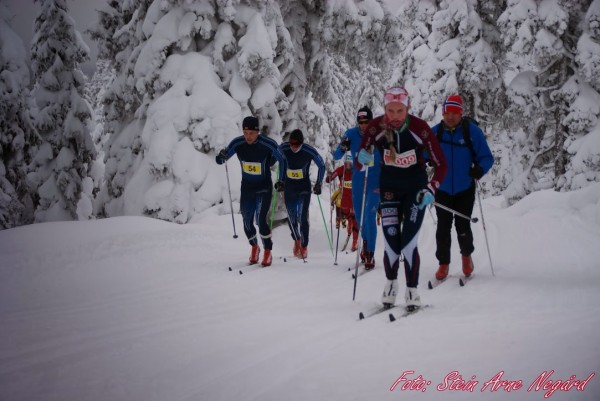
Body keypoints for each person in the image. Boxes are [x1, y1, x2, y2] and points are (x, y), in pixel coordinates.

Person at [357, 86, 447, 312]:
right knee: (391, 240)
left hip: (415, 191)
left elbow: (441, 164)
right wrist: (362, 157)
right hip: (388, 189)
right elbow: (359, 163)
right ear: (385, 108)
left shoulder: (420, 129)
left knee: (408, 242)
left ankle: (412, 290)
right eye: (391, 110)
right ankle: (391, 284)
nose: (395, 116)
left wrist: (431, 188)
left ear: (407, 108)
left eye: (400, 110)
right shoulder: (375, 127)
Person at [431, 95, 494, 280]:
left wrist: (479, 169)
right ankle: (443, 264)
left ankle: (466, 257)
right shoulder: (435, 133)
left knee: (463, 226)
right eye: (447, 112)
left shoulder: (472, 132)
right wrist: (425, 161)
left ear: (461, 113)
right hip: (441, 188)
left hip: (464, 188)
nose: (450, 116)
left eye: (454, 112)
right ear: (442, 113)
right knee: (442, 228)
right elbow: (423, 153)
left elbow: (486, 157)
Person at [215, 116, 286, 267]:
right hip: (247, 188)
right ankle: (255, 246)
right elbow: (223, 157)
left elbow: (283, 159)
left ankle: (267, 250)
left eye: (251, 133)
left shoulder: (267, 144)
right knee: (247, 221)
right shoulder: (238, 143)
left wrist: (281, 180)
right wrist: (221, 157)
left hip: (264, 188)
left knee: (261, 220)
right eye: (245, 133)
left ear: (258, 132)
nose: (248, 136)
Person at [332, 106, 380, 269]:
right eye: (361, 122)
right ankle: (365, 245)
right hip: (358, 180)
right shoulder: (351, 134)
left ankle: (370, 252)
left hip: (375, 181)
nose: (364, 125)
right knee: (360, 218)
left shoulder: (379, 134)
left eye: (367, 122)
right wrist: (343, 147)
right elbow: (336, 155)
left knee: (370, 215)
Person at [278, 129, 326, 259]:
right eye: (291, 144)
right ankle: (297, 239)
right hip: (289, 187)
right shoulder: (284, 147)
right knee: (291, 216)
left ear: (301, 143)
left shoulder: (307, 150)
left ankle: (304, 246)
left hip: (303, 188)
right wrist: (280, 181)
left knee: (302, 217)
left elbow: (321, 165)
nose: (293, 147)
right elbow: (274, 156)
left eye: (296, 145)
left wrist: (318, 183)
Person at [326, 154, 359, 251]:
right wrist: (329, 176)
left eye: (350, 164)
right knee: (346, 215)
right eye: (346, 163)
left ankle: (355, 242)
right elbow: (329, 179)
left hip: (355, 199)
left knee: (355, 219)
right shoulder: (341, 170)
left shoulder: (357, 169)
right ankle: (350, 225)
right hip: (344, 199)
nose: (348, 166)